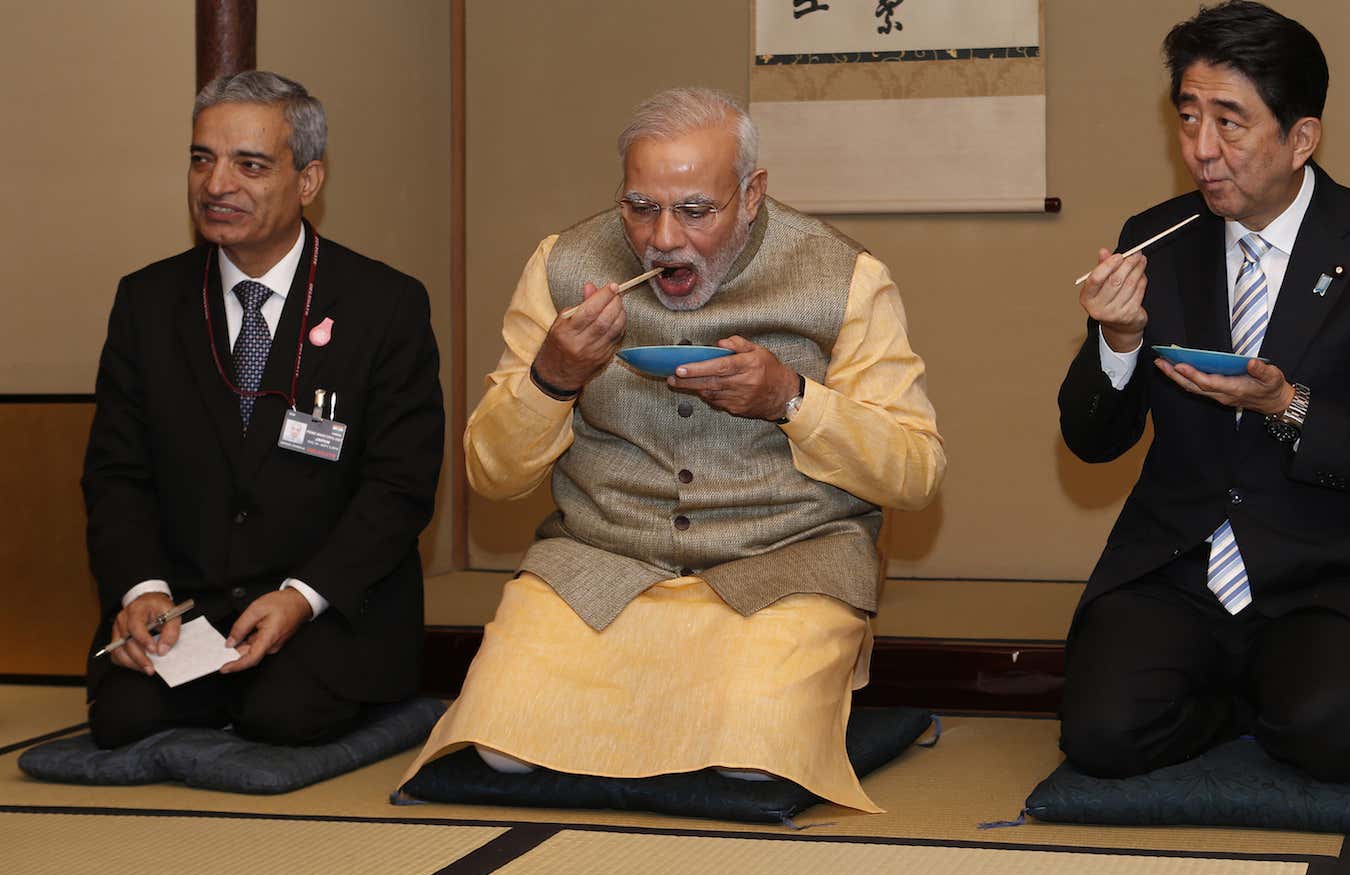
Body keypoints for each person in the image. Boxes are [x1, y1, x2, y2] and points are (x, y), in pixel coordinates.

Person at [401, 87, 944, 811]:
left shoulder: (842, 276)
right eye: (639, 207)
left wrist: (791, 399)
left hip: (785, 559)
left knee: (755, 762)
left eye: (696, 211)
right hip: (602, 556)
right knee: (503, 751)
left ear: (751, 195)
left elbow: (916, 472)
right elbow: (490, 476)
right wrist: (552, 377)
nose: (662, 239)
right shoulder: (563, 266)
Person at [1055, 1, 1350, 782]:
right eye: (1188, 119)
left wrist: (1288, 407)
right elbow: (1091, 442)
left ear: (1301, 138)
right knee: (1101, 737)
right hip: (1181, 562)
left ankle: (1276, 695)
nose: (1201, 151)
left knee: (1341, 738)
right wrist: (1116, 343)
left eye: (1230, 122)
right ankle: (1239, 701)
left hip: (1327, 575)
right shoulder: (1159, 237)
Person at [82, 71, 445, 749]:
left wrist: (301, 596)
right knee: (124, 720)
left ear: (308, 181)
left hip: (326, 604)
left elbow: (399, 487)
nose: (217, 185)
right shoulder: (147, 302)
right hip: (189, 608)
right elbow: (116, 473)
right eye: (202, 159)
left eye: (249, 165)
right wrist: (142, 593)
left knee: (282, 716)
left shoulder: (383, 305)